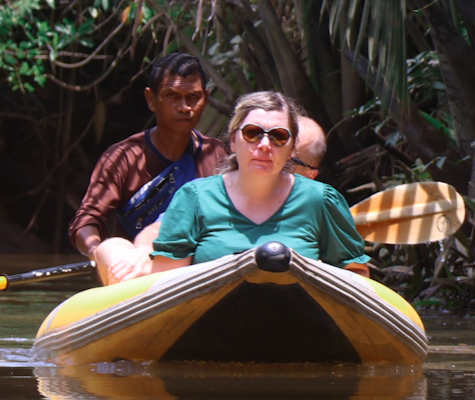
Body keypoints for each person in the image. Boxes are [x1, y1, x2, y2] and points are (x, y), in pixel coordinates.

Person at [149, 91, 369, 276]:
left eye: (278, 136)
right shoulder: (195, 198)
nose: (265, 145)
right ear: (233, 141)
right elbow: (163, 286)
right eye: (253, 133)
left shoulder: (319, 201)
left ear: (292, 148)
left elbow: (357, 278)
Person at [71, 52, 229, 285]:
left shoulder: (217, 155)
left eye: (193, 97)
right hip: (135, 272)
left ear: (205, 99)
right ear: (151, 99)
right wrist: (98, 252)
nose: (184, 107)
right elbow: (86, 222)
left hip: (195, 270)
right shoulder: (123, 158)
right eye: (172, 96)